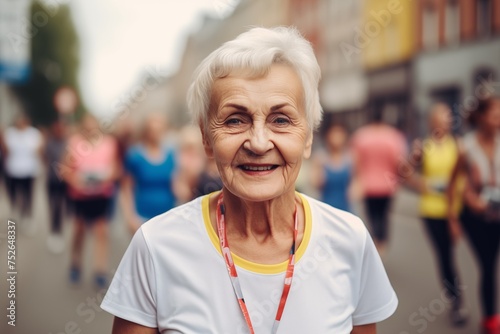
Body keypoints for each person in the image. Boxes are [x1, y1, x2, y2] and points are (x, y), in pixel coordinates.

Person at [101, 27, 398, 334]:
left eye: (280, 120)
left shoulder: (350, 241)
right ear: (206, 138)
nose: (258, 143)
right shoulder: (156, 246)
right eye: (235, 120)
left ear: (308, 137)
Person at [408, 103, 467, 326]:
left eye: (449, 116)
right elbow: (405, 173)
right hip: (432, 211)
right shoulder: (424, 146)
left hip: (459, 208)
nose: (447, 120)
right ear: (432, 121)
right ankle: (457, 303)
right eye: (442, 116)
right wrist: (420, 184)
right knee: (446, 257)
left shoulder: (459, 145)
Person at [448, 97, 500, 334]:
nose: (498, 118)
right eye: (495, 114)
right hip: (475, 218)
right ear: (481, 117)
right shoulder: (465, 147)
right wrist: (453, 218)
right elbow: (453, 183)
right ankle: (490, 319)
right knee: (488, 265)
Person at [62, 114, 120, 288]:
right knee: (79, 230)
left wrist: (107, 177)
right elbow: (65, 169)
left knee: (102, 231)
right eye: (86, 126)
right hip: (80, 195)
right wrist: (76, 181)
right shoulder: (74, 143)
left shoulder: (109, 143)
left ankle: (100, 270)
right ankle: (75, 264)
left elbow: (115, 168)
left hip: (101, 194)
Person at [350, 108, 407, 255]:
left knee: (371, 215)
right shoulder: (393, 136)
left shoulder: (361, 136)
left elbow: (355, 161)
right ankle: (382, 243)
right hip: (388, 185)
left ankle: (376, 241)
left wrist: (356, 180)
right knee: (384, 215)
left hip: (367, 185)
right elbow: (399, 161)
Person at [121, 112, 176, 234]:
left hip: (168, 217)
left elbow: (177, 184)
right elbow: (126, 187)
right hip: (142, 217)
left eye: (159, 130)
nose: (156, 133)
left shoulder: (171, 154)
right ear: (146, 131)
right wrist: (130, 216)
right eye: (153, 130)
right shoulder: (135, 155)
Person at [3, 114, 43, 230]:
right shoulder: (10, 133)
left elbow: (38, 151)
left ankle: (27, 216)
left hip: (29, 170)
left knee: (28, 195)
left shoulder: (34, 134)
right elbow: (6, 151)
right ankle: (15, 213)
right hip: (13, 170)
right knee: (13, 194)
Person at [312, 123, 353, 212]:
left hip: (346, 205)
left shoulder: (350, 158)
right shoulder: (321, 158)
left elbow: (357, 180)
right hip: (326, 205)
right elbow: (315, 183)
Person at [45, 119, 68, 253]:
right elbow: (45, 157)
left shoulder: (67, 143)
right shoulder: (50, 143)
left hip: (62, 181)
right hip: (51, 179)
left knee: (59, 207)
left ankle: (58, 231)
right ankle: (53, 231)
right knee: (52, 206)